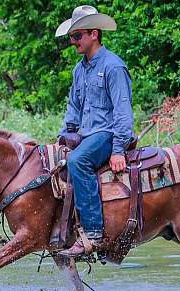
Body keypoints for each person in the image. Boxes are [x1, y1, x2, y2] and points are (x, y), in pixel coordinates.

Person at [55, 5, 135, 257]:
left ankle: (93, 233)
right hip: (87, 134)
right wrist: (65, 135)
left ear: (94, 34)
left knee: (78, 162)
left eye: (77, 36)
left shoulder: (113, 67)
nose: (73, 41)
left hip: (108, 133)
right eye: (71, 36)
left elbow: (123, 111)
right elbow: (74, 107)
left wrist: (119, 149)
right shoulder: (79, 70)